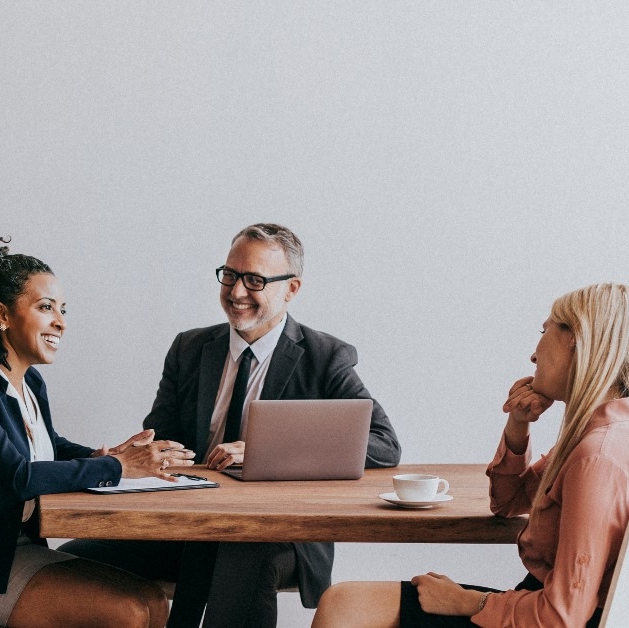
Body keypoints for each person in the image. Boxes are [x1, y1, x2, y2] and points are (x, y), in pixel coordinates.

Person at [60, 223, 402, 628]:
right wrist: (143, 454)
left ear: (291, 289)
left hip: (280, 532)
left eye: (255, 280)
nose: (236, 292)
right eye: (230, 275)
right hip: (188, 523)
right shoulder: (189, 348)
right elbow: (161, 435)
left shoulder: (325, 357)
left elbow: (384, 445)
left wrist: (265, 451)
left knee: (243, 554)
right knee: (68, 562)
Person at [311, 283, 629, 628]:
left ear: (576, 339)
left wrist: (466, 602)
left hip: (548, 617)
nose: (533, 354)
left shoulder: (599, 458)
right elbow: (508, 502)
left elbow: (562, 618)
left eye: (544, 331)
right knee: (346, 602)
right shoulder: (623, 431)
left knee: (343, 606)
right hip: (548, 607)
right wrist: (518, 425)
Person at [0, 227, 195, 628]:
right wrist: (118, 468)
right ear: (1, 314)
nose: (60, 323)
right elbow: (17, 475)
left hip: (7, 551)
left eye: (63, 309)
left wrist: (108, 456)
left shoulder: (29, 382)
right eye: (47, 307)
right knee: (128, 612)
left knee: (152, 599)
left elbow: (47, 448)